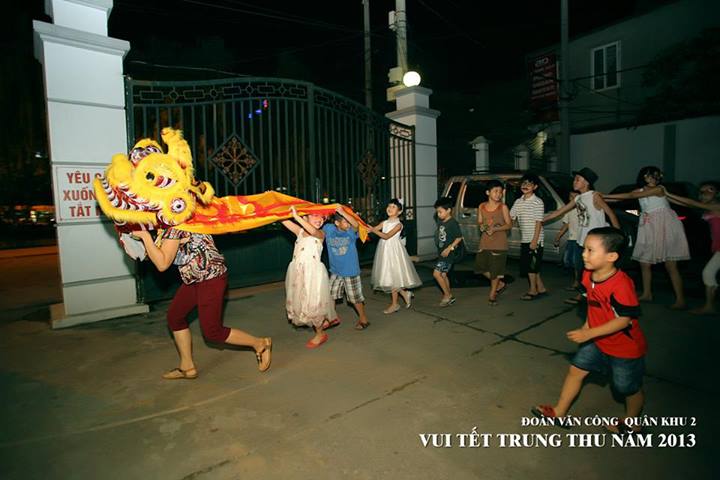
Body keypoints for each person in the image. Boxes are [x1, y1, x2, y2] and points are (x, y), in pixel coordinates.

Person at [532, 227, 647, 434]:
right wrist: (587, 324)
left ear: (611, 256)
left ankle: (632, 423)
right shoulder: (588, 274)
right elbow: (592, 302)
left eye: (590, 250)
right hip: (596, 340)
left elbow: (624, 320)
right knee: (575, 371)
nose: (584, 254)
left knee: (627, 388)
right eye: (584, 249)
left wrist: (588, 333)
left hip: (624, 347)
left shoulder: (621, 284)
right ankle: (559, 412)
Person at [133, 228, 271, 380]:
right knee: (175, 317)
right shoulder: (176, 223)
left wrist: (145, 237)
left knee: (212, 332)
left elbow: (162, 264)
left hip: (210, 279)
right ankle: (187, 367)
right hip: (194, 278)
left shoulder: (175, 227)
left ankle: (260, 344)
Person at [604, 166, 690, 309]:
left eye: (656, 175)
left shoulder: (659, 189)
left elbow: (630, 196)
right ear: (643, 177)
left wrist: (603, 195)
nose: (654, 178)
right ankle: (647, 293)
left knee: (670, 264)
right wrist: (603, 197)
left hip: (664, 225)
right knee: (644, 262)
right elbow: (623, 198)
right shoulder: (639, 191)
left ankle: (680, 299)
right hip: (648, 225)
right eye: (650, 175)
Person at [544, 167, 620, 305]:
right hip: (583, 240)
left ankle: (599, 296)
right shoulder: (578, 198)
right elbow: (561, 211)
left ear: (586, 182)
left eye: (578, 179)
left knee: (595, 270)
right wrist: (541, 220)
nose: (574, 181)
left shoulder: (594, 196)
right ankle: (585, 295)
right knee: (583, 270)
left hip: (597, 241)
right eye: (575, 179)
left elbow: (610, 213)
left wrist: (618, 236)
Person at [282, 207, 338, 348]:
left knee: (313, 304)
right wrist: (274, 207)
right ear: (305, 217)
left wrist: (297, 217)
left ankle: (320, 333)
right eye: (315, 216)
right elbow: (283, 220)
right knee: (301, 302)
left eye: (322, 218)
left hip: (313, 275)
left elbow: (313, 231)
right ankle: (324, 321)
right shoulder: (300, 232)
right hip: (298, 273)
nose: (320, 220)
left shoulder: (321, 234)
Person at [664, 181, 720, 315]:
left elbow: (691, 203)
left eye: (710, 190)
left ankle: (709, 307)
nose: (705, 193)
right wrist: (665, 196)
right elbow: (686, 203)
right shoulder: (708, 207)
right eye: (702, 191)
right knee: (709, 273)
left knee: (708, 273)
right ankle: (709, 306)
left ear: (718, 193)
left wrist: (666, 193)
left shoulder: (717, 206)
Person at [370, 198, 422, 314]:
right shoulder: (384, 222)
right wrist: (364, 228)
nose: (390, 208)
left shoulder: (398, 225)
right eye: (389, 206)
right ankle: (404, 294)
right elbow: (373, 229)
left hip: (394, 251)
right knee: (390, 277)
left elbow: (387, 236)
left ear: (399, 211)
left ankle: (395, 304)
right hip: (384, 251)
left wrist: (373, 230)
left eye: (393, 207)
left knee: (393, 276)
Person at [323, 206, 370, 329]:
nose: (348, 224)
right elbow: (319, 225)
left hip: (350, 271)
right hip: (335, 271)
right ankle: (332, 318)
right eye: (345, 222)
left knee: (355, 298)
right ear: (337, 223)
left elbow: (356, 225)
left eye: (349, 221)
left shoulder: (350, 232)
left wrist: (343, 212)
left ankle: (363, 319)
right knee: (330, 295)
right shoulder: (329, 229)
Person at [509, 173, 547, 300]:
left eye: (529, 184)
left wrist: (535, 241)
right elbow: (511, 217)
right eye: (523, 183)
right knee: (533, 265)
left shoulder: (537, 202)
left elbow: (538, 222)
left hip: (535, 239)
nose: (525, 186)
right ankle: (541, 288)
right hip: (525, 238)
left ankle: (533, 291)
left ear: (535, 187)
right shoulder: (518, 201)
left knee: (531, 267)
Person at [475, 179, 512, 305]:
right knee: (480, 267)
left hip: (499, 243)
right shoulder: (481, 206)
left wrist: (495, 229)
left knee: (495, 270)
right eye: (495, 191)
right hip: (485, 242)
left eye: (500, 192)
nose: (498, 194)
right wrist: (482, 226)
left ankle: (492, 294)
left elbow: (509, 225)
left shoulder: (503, 207)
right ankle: (500, 284)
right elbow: (480, 222)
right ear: (488, 192)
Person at [433, 197, 464, 307]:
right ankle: (449, 295)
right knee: (443, 274)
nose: (438, 214)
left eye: (440, 212)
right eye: (437, 212)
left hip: (448, 255)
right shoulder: (441, 221)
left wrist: (449, 248)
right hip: (442, 254)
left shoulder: (452, 223)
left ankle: (446, 295)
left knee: (436, 274)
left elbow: (459, 237)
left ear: (448, 210)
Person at [554, 191, 582, 291]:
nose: (573, 198)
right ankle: (578, 279)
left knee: (576, 262)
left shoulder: (583, 209)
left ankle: (577, 283)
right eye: (571, 196)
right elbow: (566, 225)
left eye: (575, 196)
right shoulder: (568, 210)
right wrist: (558, 237)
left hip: (581, 240)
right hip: (571, 239)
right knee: (567, 260)